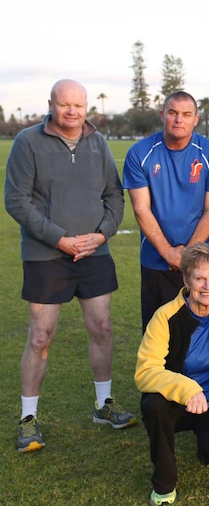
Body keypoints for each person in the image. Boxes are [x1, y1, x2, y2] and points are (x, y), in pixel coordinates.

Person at [5, 79, 136, 453]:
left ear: (87, 106)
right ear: (51, 104)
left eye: (78, 105)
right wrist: (58, 238)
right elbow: (16, 200)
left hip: (93, 253)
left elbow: (113, 193)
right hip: (47, 255)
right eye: (64, 105)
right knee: (41, 336)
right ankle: (28, 418)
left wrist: (101, 235)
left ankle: (103, 404)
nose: (72, 111)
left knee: (103, 327)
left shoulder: (98, 142)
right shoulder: (28, 142)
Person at [135, 243, 209, 506]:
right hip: (181, 402)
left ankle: (208, 444)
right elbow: (145, 372)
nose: (207, 286)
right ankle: (164, 482)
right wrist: (188, 389)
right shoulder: (165, 316)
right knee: (154, 405)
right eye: (200, 278)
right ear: (186, 279)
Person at [124, 91, 209, 332]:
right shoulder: (140, 153)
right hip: (156, 261)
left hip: (203, 262)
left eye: (186, 114)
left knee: (208, 335)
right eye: (172, 113)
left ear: (196, 119)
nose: (179, 119)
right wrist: (168, 252)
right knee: (159, 335)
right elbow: (141, 208)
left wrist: (187, 256)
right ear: (162, 115)